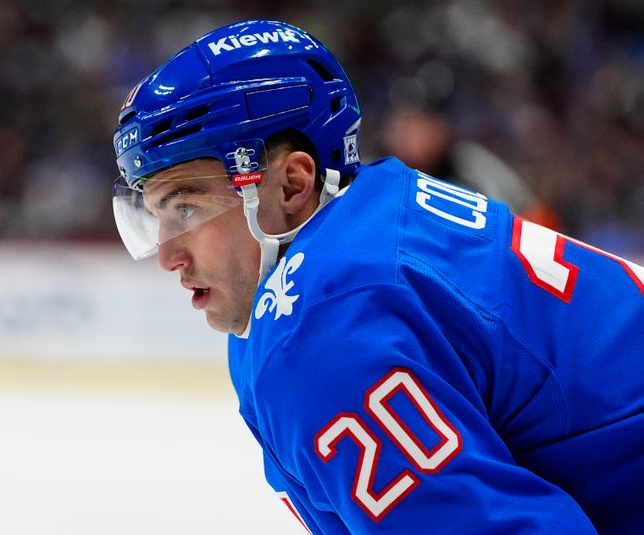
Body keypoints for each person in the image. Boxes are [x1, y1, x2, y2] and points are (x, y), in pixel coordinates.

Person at [111, 20, 644, 534]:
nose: (167, 256)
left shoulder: (324, 324)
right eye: (154, 216)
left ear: (292, 186)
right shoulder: (372, 212)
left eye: (185, 208)